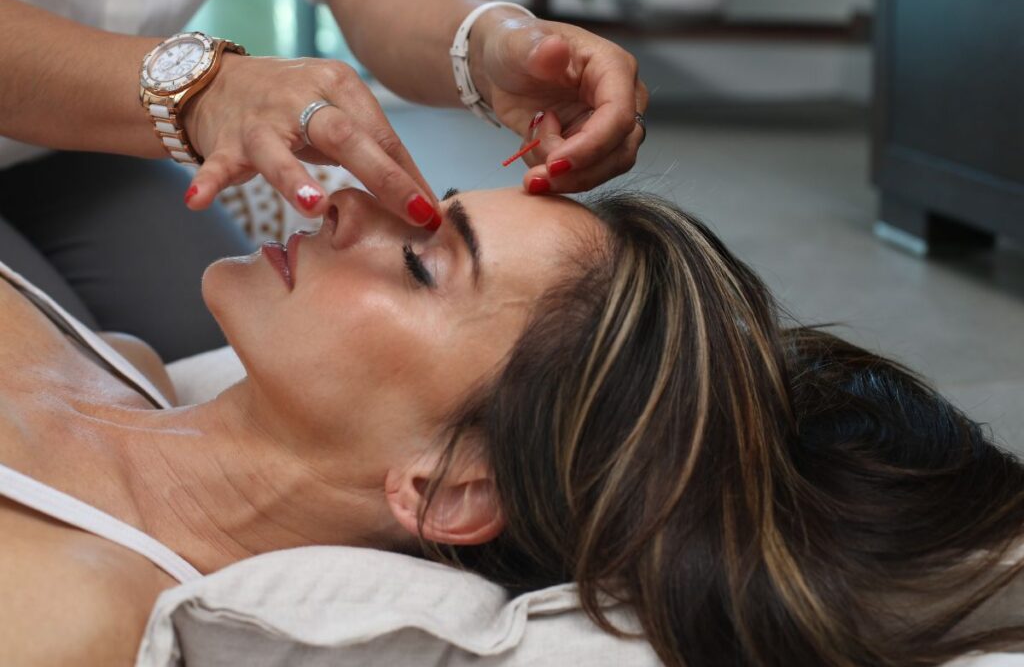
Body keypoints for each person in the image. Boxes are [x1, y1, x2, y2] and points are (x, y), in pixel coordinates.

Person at [1, 176, 1023, 665]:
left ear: (453, 486)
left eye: (418, 263)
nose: (349, 202)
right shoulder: (125, 367)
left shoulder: (65, 608)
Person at [0, 0, 648, 361]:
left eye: (421, 265)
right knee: (62, 371)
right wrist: (205, 91)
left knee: (194, 347)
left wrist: (492, 44)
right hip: (105, 121)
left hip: (79, 145)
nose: (339, 202)